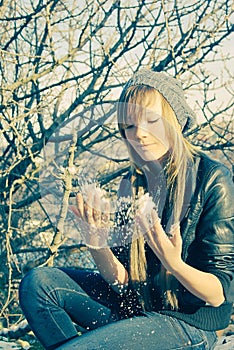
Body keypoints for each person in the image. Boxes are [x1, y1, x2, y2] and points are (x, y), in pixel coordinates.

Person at [19, 69, 234, 350]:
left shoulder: (212, 178)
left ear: (174, 121)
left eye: (151, 121)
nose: (140, 134)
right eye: (129, 126)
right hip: (139, 310)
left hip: (188, 324)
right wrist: (96, 243)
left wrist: (174, 263)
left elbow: (219, 295)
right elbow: (123, 284)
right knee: (39, 283)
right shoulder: (132, 185)